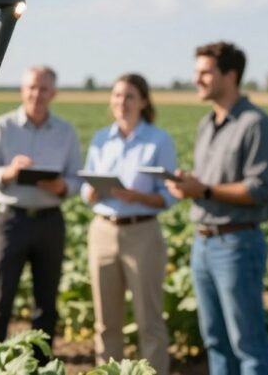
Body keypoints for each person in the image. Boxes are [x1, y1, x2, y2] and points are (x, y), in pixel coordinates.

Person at [165, 41, 268, 375]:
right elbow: (212, 184)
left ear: (230, 75)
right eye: (196, 71)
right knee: (215, 341)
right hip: (202, 243)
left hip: (237, 246)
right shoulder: (207, 125)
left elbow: (262, 188)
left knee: (248, 345)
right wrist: (191, 184)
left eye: (205, 72)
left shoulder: (255, 125)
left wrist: (202, 188)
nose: (196, 79)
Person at [0, 65, 82, 360]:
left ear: (53, 93)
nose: (37, 94)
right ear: (23, 90)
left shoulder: (65, 132)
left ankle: (40, 362)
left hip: (50, 221)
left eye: (44, 88)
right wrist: (9, 172)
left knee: (46, 301)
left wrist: (61, 186)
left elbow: (76, 179)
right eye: (32, 87)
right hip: (11, 220)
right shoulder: (2, 127)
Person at [81, 74, 175, 373]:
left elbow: (169, 197)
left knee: (149, 321)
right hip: (103, 231)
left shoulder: (159, 140)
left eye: (129, 96)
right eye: (117, 95)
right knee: (106, 321)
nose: (121, 102)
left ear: (143, 101)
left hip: (143, 232)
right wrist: (93, 191)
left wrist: (137, 196)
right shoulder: (100, 139)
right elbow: (86, 190)